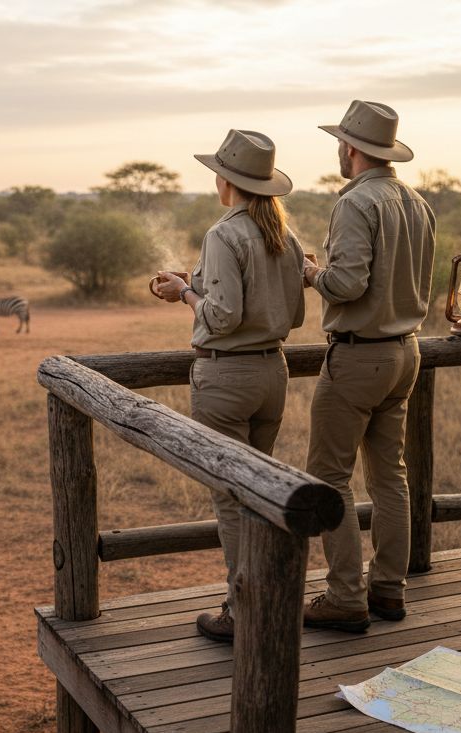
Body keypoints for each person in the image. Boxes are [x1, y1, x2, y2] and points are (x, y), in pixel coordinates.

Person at [153, 129, 305, 642]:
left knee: (231, 496)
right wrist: (196, 284)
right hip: (272, 372)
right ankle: (267, 601)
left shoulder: (223, 235)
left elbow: (221, 317)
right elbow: (294, 314)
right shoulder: (286, 237)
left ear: (227, 181)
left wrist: (184, 294)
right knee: (259, 492)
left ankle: (244, 610)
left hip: (226, 377)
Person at [300, 100, 436, 633]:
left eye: (341, 141)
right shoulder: (417, 203)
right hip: (406, 351)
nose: (338, 149)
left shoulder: (356, 203)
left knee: (329, 478)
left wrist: (313, 274)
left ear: (351, 147)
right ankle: (388, 589)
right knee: (389, 476)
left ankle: (344, 596)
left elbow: (347, 284)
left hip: (359, 355)